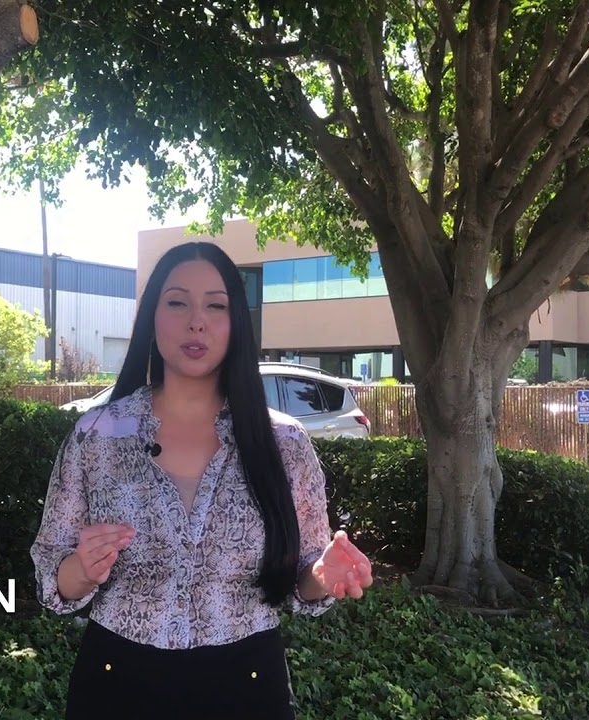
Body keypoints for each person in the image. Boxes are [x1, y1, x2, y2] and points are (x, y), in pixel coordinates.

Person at [30, 242, 373, 720]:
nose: (197, 322)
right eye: (177, 302)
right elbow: (52, 573)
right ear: (152, 317)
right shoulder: (97, 435)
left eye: (216, 305)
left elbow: (305, 574)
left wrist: (322, 575)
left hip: (248, 684)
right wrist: (82, 569)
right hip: (116, 681)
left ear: (237, 323)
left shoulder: (285, 443)